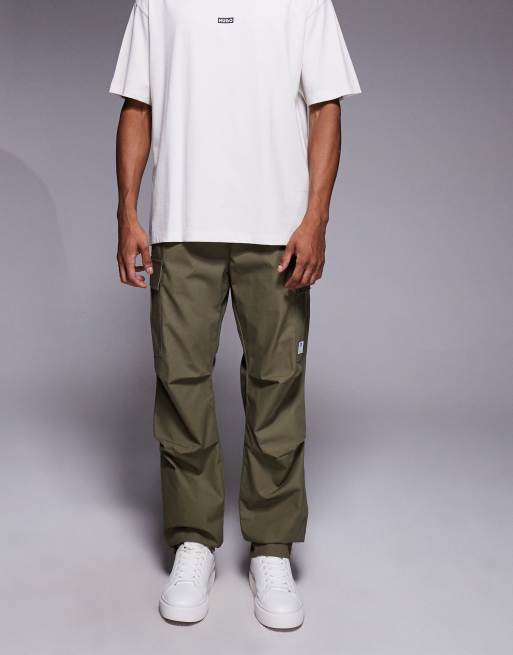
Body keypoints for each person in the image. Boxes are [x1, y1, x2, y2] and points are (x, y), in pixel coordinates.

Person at [109, 0, 361, 629]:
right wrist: (128, 211)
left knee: (278, 383)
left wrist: (316, 218)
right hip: (182, 221)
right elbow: (137, 105)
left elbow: (326, 106)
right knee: (181, 384)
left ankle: (271, 548)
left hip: (277, 226)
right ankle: (194, 540)